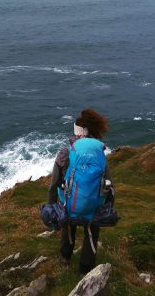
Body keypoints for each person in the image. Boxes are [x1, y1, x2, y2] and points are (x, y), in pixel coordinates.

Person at [48, 108, 114, 274]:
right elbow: (108, 182)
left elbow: (53, 183)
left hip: (69, 206)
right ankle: (86, 269)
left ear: (77, 133)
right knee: (91, 234)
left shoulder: (65, 153)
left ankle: (65, 258)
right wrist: (109, 204)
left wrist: (51, 205)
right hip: (92, 207)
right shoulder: (99, 153)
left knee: (68, 229)